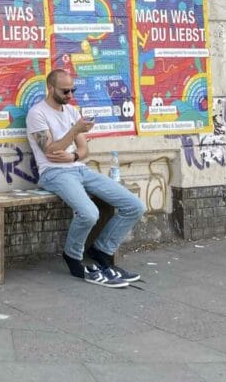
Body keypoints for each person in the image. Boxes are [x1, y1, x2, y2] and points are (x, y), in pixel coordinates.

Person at [27, 69, 146, 288]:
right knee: (89, 213)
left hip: (79, 168)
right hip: (53, 173)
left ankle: (101, 251)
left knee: (135, 206)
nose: (70, 95)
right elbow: (50, 151)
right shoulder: (37, 114)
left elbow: (84, 151)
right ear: (50, 88)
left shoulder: (72, 111)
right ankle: (72, 256)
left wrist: (72, 155)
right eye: (65, 91)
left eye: (73, 90)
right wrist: (74, 131)